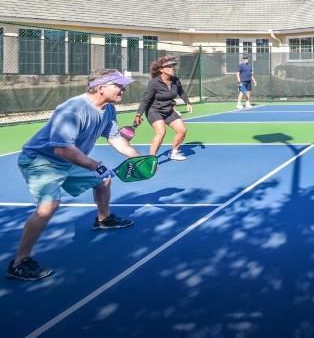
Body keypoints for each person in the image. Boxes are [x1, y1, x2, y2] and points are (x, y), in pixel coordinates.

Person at [7, 69, 141, 281]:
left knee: (103, 178)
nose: (123, 89)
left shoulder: (108, 110)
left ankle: (103, 220)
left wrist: (137, 158)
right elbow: (62, 149)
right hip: (41, 160)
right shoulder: (73, 109)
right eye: (118, 85)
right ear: (100, 88)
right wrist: (94, 165)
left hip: (68, 159)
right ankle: (19, 262)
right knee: (48, 206)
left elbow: (115, 138)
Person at [135, 55, 193, 161]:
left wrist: (187, 102)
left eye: (173, 66)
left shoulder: (175, 80)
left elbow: (181, 92)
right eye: (169, 66)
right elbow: (146, 99)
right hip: (154, 110)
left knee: (182, 130)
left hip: (168, 110)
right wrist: (139, 114)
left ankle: (174, 152)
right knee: (161, 132)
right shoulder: (154, 83)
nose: (172, 68)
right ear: (161, 70)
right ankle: (151, 159)